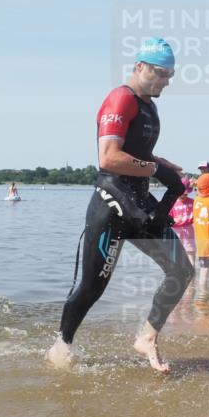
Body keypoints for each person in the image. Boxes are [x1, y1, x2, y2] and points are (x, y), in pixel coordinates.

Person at [47, 37, 193, 372]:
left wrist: (159, 163)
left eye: (170, 73)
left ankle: (147, 337)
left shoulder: (149, 106)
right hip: (111, 206)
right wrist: (156, 169)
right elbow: (109, 158)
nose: (167, 79)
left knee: (181, 270)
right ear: (140, 66)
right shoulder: (120, 99)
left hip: (140, 205)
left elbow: (136, 154)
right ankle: (61, 347)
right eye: (161, 71)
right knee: (91, 288)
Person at [168, 176, 196, 269]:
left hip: (189, 231)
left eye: (186, 194)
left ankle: (192, 274)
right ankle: (178, 272)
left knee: (191, 253)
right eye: (181, 194)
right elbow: (167, 219)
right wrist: (174, 220)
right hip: (176, 232)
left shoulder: (193, 202)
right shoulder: (172, 203)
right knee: (176, 254)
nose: (184, 196)